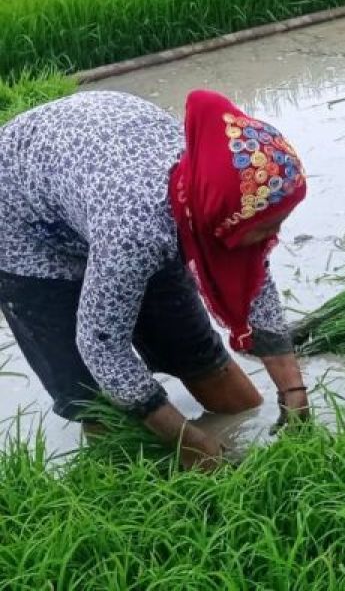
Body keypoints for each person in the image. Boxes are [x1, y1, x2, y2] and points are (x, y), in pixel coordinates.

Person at [0, 89, 310, 470]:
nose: (273, 236)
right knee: (95, 398)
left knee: (198, 355)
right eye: (268, 227)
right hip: (23, 229)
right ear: (220, 213)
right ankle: (127, 486)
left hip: (100, 181)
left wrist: (293, 391)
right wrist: (191, 442)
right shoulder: (139, 230)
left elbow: (253, 276)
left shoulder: (215, 190)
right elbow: (101, 346)